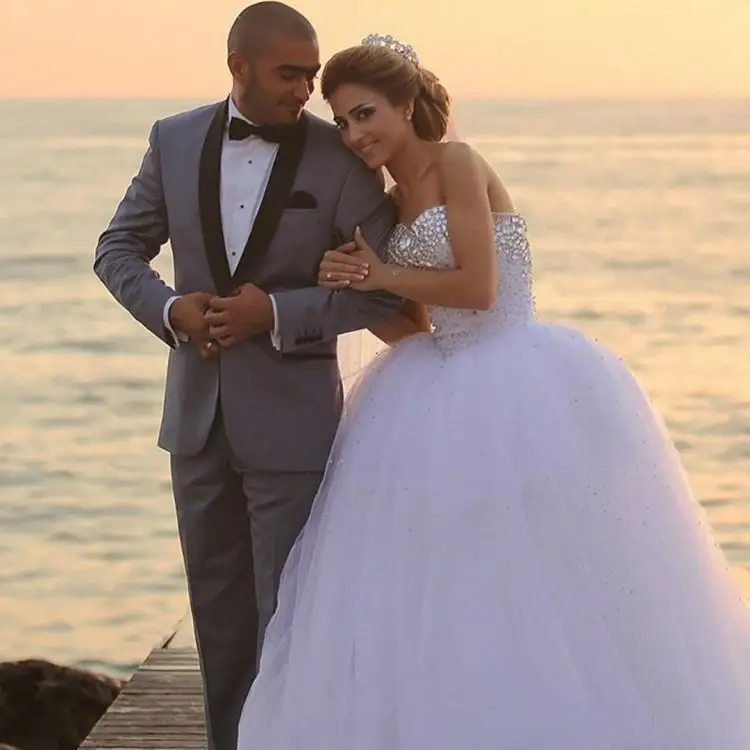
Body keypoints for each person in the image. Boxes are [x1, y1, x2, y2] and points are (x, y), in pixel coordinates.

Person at [236, 33, 750, 749]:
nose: (355, 135)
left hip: (518, 378)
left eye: (365, 114)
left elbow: (478, 288)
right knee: (447, 574)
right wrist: (358, 288)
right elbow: (421, 321)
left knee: (544, 567)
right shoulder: (387, 198)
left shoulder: (457, 164)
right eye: (345, 121)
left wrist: (382, 275)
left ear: (405, 103)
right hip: (439, 378)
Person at [93, 4, 403, 748]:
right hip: (197, 423)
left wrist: (279, 311)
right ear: (238, 64)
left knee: (289, 618)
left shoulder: (339, 158)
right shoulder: (173, 139)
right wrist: (172, 311)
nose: (305, 89)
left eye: (310, 74)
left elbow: (390, 287)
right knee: (219, 619)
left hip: (293, 425)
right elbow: (117, 250)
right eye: (289, 73)